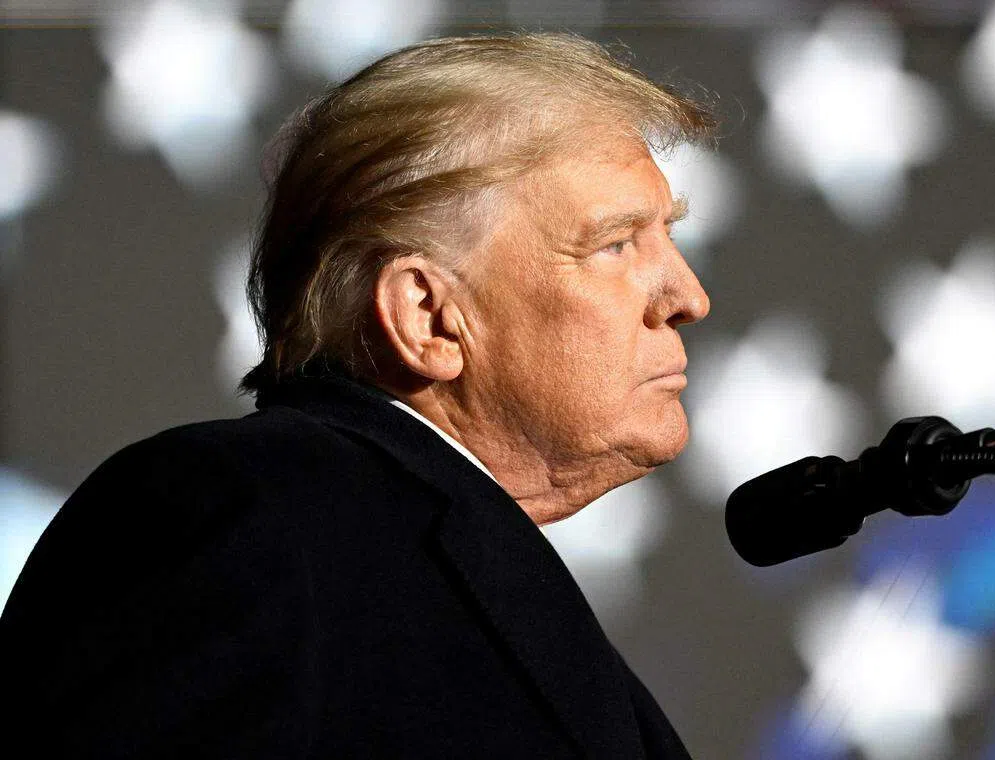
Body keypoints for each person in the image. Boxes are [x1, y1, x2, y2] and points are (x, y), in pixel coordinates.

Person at [0, 33, 714, 758]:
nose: (689, 297)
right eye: (617, 245)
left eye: (669, 237)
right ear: (429, 318)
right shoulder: (236, 514)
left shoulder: (477, 567)